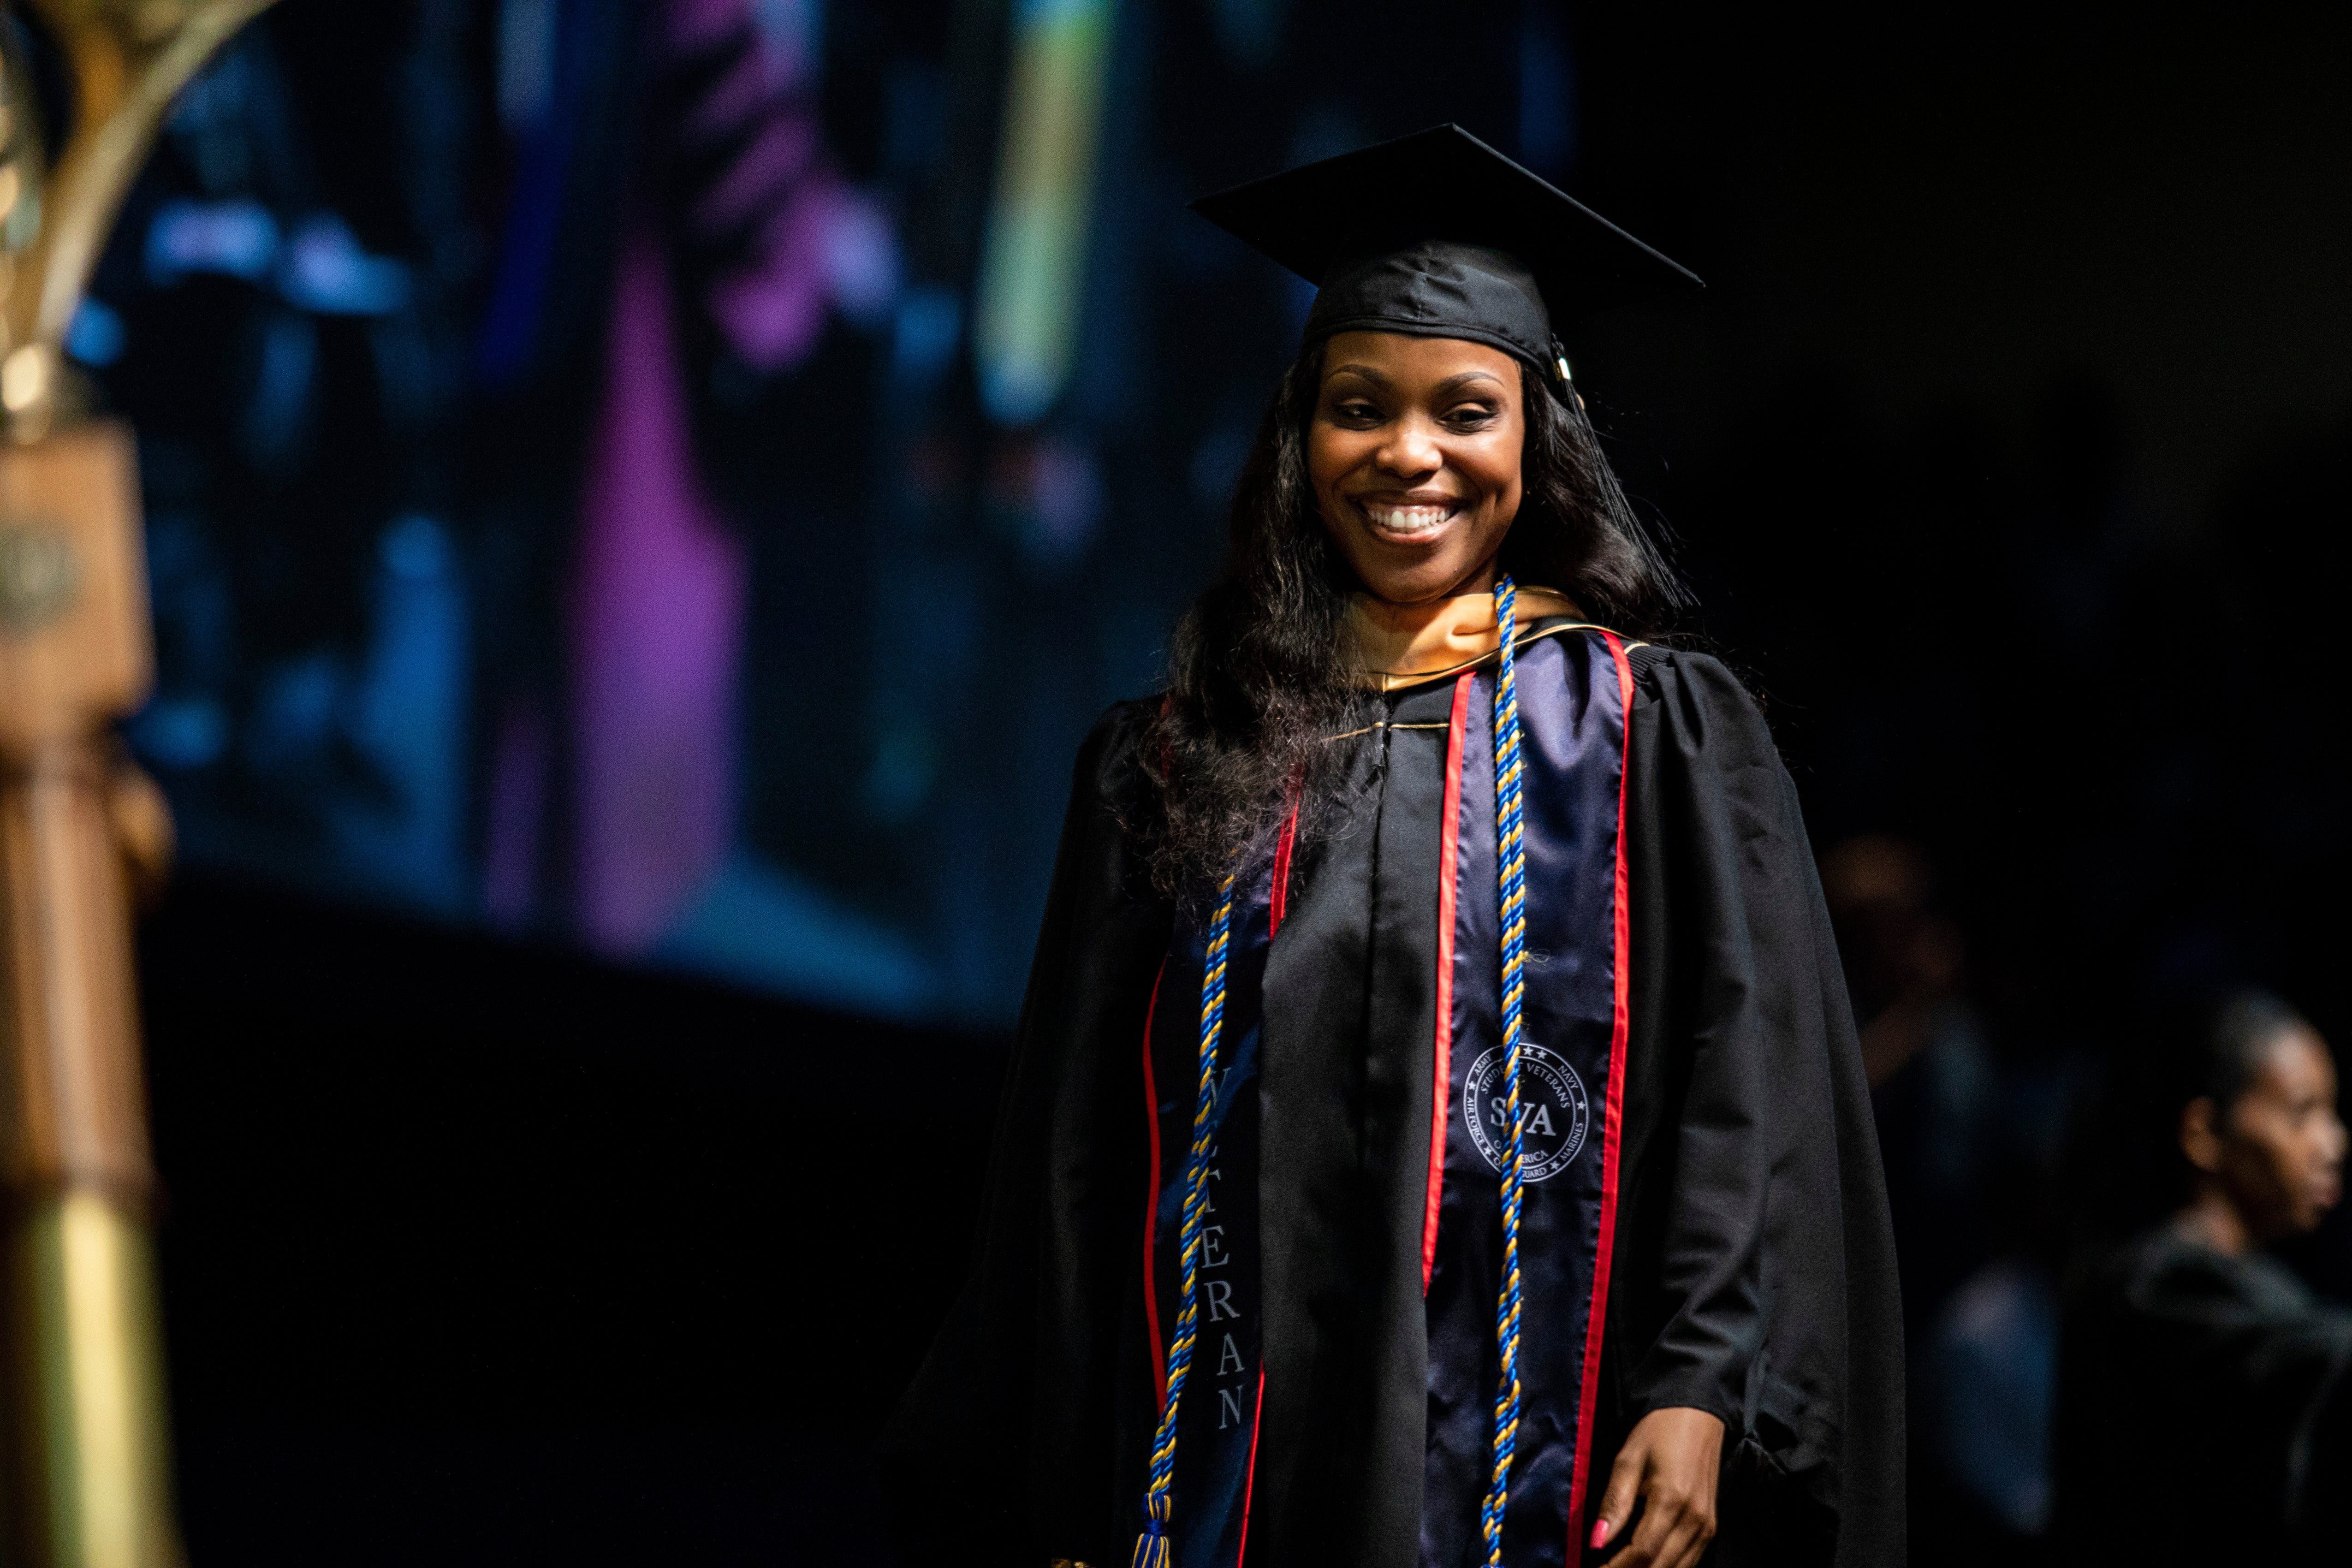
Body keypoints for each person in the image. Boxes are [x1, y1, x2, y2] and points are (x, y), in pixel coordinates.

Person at [884, 126, 1903, 1568]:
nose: (1407, 453)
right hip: (1230, 1458)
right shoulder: (1172, 753)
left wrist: (1696, 1382)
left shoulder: (1644, 730)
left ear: (1533, 435)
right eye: (1358, 406)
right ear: (1300, 440)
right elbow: (1074, 1151)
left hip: (1544, 1463)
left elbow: (1744, 1088)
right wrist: (1065, 1466)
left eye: (1462, 408)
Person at [2051, 992, 2352, 1564]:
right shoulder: (2152, 1289)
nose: (2333, 1143)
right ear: (2204, 1133)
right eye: (2302, 1112)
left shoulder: (2250, 1283)